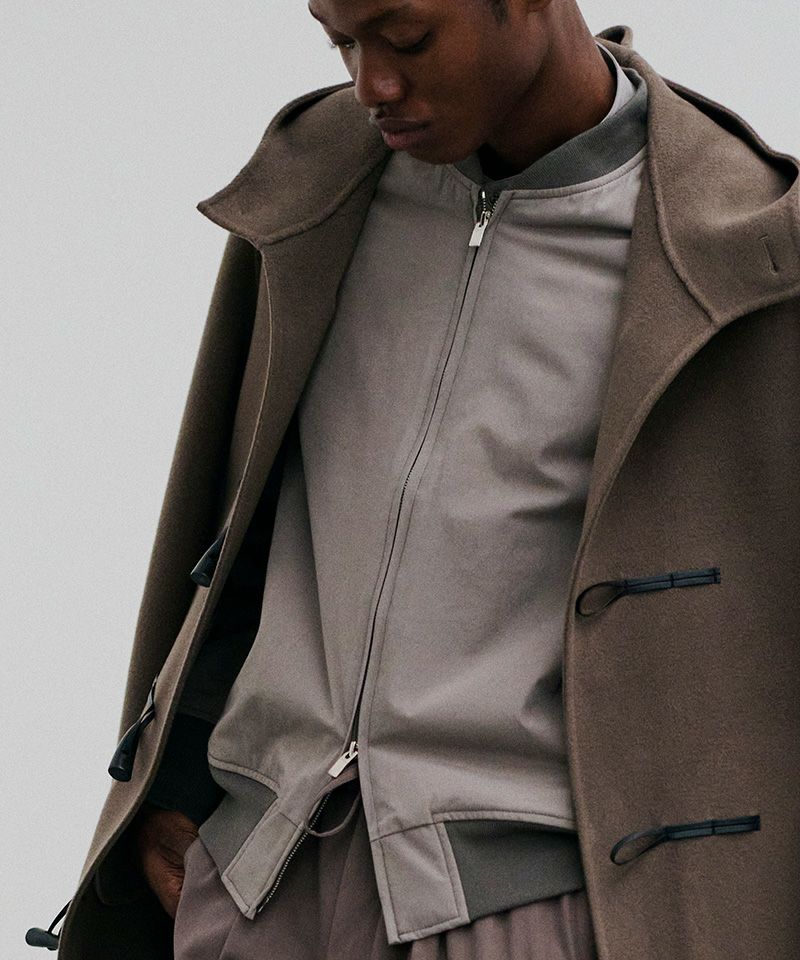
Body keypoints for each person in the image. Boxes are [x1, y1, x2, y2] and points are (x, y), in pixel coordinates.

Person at [27, 1, 800, 958]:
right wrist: (177, 781)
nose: (372, 85)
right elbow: (245, 515)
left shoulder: (738, 245)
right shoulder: (321, 180)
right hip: (254, 885)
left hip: (530, 909)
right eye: (340, 40)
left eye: (407, 39)